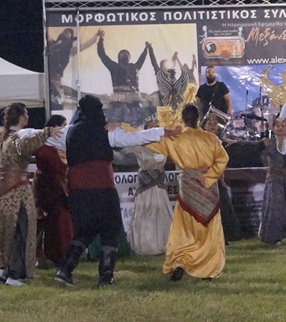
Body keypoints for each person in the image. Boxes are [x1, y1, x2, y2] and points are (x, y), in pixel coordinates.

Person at [53, 95, 176, 287]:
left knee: (83, 231)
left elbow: (39, 137)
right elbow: (136, 137)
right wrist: (161, 131)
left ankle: (65, 270)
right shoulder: (107, 131)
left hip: (78, 192)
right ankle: (105, 277)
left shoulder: (68, 132)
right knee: (110, 231)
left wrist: (29, 133)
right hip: (103, 190)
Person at [145, 104, 229, 281]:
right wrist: (208, 177)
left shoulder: (175, 138)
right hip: (207, 186)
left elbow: (148, 142)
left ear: (182, 118)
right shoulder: (210, 138)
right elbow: (223, 158)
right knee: (208, 226)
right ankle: (207, 267)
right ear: (198, 119)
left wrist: (126, 130)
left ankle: (181, 262)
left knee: (184, 226)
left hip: (187, 185)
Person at [0, 103, 62, 286]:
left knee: (2, 229)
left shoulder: (0, 138)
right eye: (26, 114)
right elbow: (28, 143)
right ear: (21, 117)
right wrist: (47, 132)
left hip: (1, 189)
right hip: (17, 191)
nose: (28, 117)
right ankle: (15, 274)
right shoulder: (16, 139)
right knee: (21, 228)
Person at [117, 119, 174, 255]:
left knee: (160, 210)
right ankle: (145, 244)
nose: (153, 129)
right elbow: (123, 147)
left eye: (156, 127)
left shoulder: (165, 143)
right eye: (150, 128)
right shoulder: (139, 144)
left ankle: (164, 242)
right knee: (146, 210)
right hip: (145, 185)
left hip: (159, 185)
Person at [33, 115, 72, 266]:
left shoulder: (62, 145)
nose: (66, 129)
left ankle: (59, 254)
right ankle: (46, 256)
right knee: (47, 220)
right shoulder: (43, 147)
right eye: (63, 125)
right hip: (48, 188)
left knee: (59, 221)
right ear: (55, 127)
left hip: (59, 187)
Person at [202, 115, 242, 245]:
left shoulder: (220, 141)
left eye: (214, 123)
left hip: (218, 179)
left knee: (223, 208)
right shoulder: (201, 141)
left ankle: (224, 236)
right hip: (207, 179)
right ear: (204, 126)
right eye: (209, 123)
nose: (212, 126)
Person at [96, 29, 148, 123]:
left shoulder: (134, 67)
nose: (124, 54)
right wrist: (101, 39)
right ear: (119, 58)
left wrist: (146, 49)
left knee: (135, 125)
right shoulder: (114, 67)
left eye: (126, 54)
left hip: (133, 101)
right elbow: (102, 54)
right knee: (117, 125)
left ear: (129, 58)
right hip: (119, 100)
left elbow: (141, 59)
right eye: (122, 53)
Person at [48, 27, 100, 108]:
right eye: (65, 33)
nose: (66, 36)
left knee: (56, 103)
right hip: (48, 79)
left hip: (56, 80)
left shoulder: (69, 51)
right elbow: (46, 34)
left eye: (68, 35)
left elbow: (85, 45)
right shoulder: (52, 43)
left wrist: (96, 36)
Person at [146, 42, 189, 110]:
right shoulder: (159, 72)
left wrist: (175, 56)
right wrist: (150, 49)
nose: (166, 68)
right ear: (161, 67)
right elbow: (153, 61)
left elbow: (172, 62)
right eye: (164, 66)